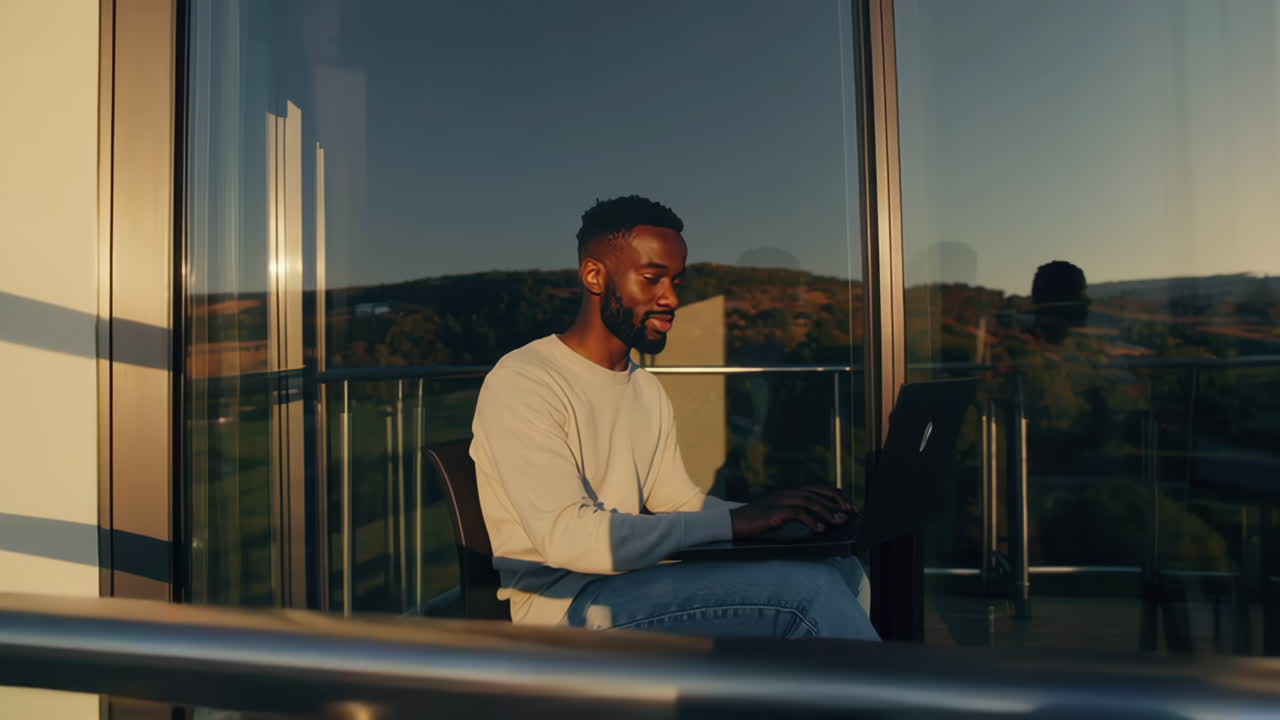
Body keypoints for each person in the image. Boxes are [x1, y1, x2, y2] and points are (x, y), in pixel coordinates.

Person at [469, 195, 878, 640]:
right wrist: (735, 523)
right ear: (594, 275)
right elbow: (568, 538)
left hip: (634, 583)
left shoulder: (642, 385)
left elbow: (678, 504)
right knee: (809, 593)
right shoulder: (525, 381)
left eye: (676, 281)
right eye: (652, 279)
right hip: (565, 612)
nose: (671, 299)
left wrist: (775, 516)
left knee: (841, 567)